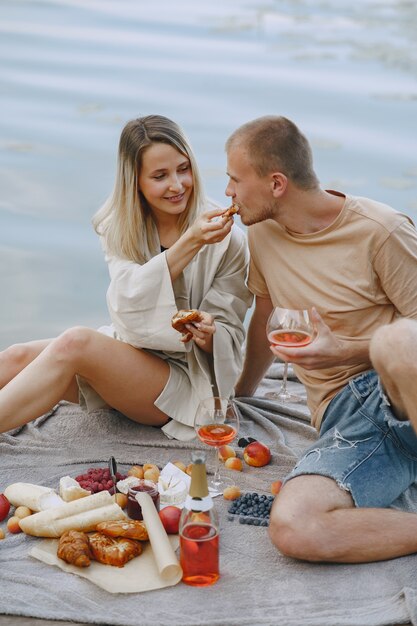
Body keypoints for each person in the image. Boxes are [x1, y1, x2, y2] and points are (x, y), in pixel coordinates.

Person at [225, 115, 417, 563]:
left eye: (235, 179)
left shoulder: (380, 231)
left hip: (400, 386)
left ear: (276, 183)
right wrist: (240, 396)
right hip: (351, 420)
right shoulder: (261, 232)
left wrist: (347, 350)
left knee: (396, 342)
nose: (229, 192)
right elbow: (264, 316)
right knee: (295, 527)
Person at [0, 115, 252, 440]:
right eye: (160, 176)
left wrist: (210, 333)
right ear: (135, 181)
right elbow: (127, 306)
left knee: (77, 342)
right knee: (15, 355)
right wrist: (191, 242)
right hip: (129, 355)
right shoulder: (118, 225)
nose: (177, 185)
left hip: (188, 382)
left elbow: (231, 331)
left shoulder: (229, 239)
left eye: (183, 169)